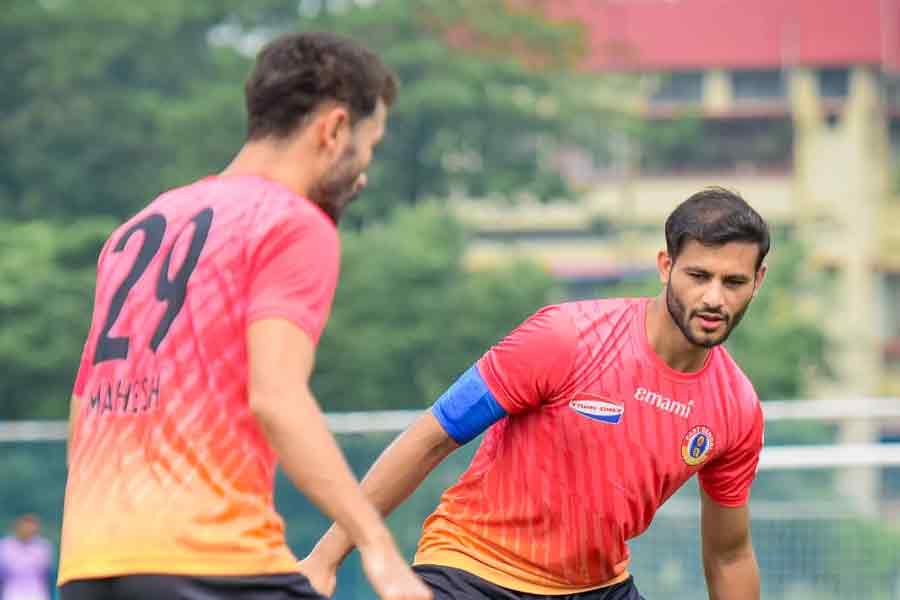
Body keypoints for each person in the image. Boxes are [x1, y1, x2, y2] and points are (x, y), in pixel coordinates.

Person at [58, 31, 431, 600]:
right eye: (368, 147)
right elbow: (276, 397)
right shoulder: (291, 222)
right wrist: (377, 548)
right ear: (332, 130)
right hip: (211, 563)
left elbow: (86, 402)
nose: (363, 174)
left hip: (90, 566)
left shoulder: (138, 228)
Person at [301, 187, 769, 600]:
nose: (714, 298)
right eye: (699, 275)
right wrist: (325, 560)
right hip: (472, 567)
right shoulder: (564, 338)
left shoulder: (737, 409)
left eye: (733, 283)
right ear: (666, 267)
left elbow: (729, 556)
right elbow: (431, 437)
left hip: (595, 587)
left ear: (757, 282)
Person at [0, 515, 53, 600]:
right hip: (11, 593)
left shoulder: (43, 547)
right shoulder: (4, 546)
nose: (28, 530)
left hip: (37, 594)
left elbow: (46, 575)